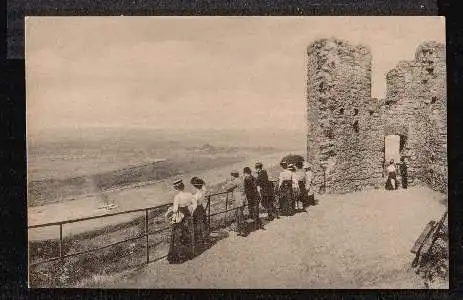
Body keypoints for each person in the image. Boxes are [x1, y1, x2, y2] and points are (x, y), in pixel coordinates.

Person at [167, 179, 194, 264]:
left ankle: (179, 256)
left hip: (181, 217)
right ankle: (189, 254)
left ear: (176, 188)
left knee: (178, 236)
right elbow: (193, 204)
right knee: (187, 234)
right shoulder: (189, 194)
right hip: (187, 215)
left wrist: (170, 209)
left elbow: (175, 210)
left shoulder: (177, 197)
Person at [225, 170, 247, 236]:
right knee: (239, 215)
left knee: (239, 215)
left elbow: (227, 188)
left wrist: (228, 182)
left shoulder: (235, 181)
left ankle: (242, 231)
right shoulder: (240, 180)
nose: (230, 177)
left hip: (238, 201)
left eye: (231, 176)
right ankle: (240, 230)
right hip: (242, 199)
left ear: (233, 175)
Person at [190, 177, 209, 245]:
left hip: (197, 209)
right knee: (203, 224)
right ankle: (205, 239)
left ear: (195, 186)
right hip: (201, 208)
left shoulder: (195, 196)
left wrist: (191, 213)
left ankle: (200, 240)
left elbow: (194, 206)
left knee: (198, 225)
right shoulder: (203, 192)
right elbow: (204, 187)